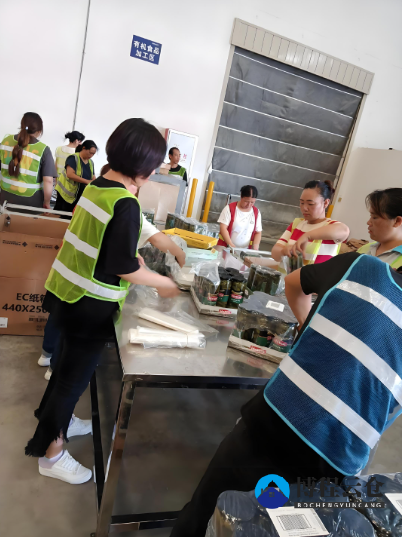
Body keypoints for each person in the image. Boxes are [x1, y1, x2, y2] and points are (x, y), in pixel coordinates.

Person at [171, 251, 402, 537]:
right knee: (268, 529)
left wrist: (308, 327)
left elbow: (293, 283)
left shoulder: (358, 266)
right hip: (330, 460)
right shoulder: (360, 267)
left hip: (271, 424)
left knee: (206, 511)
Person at [25, 118, 180, 484]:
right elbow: (122, 266)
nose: (156, 170)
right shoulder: (125, 202)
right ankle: (51, 454)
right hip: (89, 306)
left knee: (64, 369)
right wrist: (163, 282)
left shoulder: (99, 185)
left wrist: (139, 254)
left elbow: (103, 241)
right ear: (143, 168)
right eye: (155, 164)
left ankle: (57, 421)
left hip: (66, 292)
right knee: (72, 380)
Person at [37, 210, 186, 381]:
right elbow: (153, 242)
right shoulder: (125, 206)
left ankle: (46, 355)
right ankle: (55, 368)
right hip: (85, 285)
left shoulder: (96, 200)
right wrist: (175, 260)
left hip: (67, 270)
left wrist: (134, 253)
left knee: (59, 317)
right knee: (70, 333)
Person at [271, 180, 349, 264]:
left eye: (310, 204)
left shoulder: (330, 225)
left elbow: (344, 230)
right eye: (302, 203)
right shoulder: (296, 224)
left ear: (326, 203)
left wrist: (307, 236)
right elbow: (275, 254)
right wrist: (283, 251)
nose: (304, 208)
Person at [0, 112, 56, 209]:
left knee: (6, 219)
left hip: (5, 198)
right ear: (39, 131)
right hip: (30, 203)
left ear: (21, 126)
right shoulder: (43, 149)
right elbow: (48, 181)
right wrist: (47, 202)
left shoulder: (6, 141)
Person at [357, 188, 402, 269]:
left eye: (375, 217)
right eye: (370, 216)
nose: (368, 222)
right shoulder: (365, 248)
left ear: (397, 221)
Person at [54, 139, 97, 213]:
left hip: (79, 195)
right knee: (63, 215)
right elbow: (70, 174)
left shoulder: (90, 162)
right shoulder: (73, 158)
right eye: (90, 153)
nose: (91, 155)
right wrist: (87, 181)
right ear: (83, 148)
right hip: (66, 194)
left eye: (93, 154)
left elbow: (93, 176)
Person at [217, 185, 262, 250]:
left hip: (245, 250)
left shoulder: (256, 212)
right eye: (246, 201)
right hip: (226, 248)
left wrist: (255, 247)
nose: (249, 205)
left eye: (252, 202)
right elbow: (223, 228)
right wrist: (231, 245)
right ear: (241, 197)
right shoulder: (229, 209)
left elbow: (258, 232)